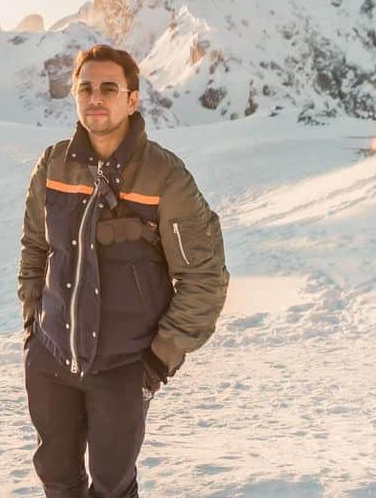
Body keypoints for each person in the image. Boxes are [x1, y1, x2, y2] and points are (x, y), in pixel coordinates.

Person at [18, 43, 230, 498]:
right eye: (86, 87)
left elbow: (204, 275)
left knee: (113, 485)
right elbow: (36, 247)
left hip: (123, 366)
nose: (96, 97)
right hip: (52, 358)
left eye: (109, 88)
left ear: (132, 99)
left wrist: (156, 361)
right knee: (56, 478)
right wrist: (33, 326)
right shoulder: (53, 165)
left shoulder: (165, 176)